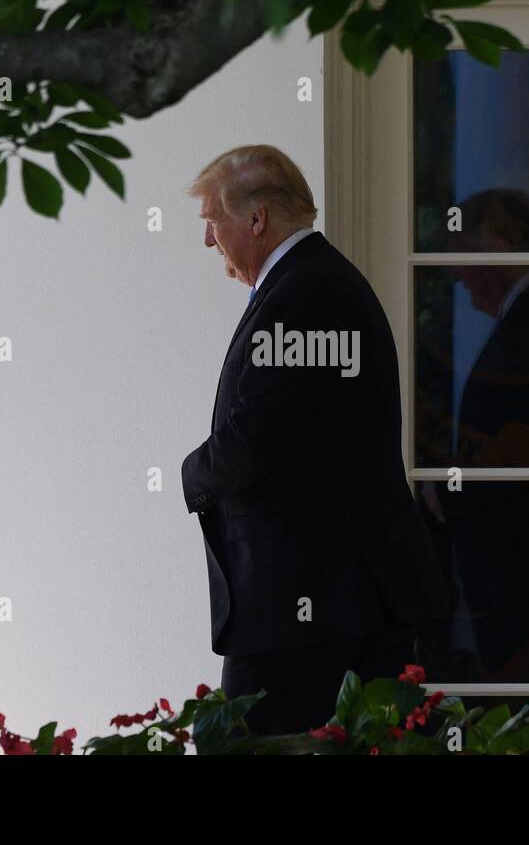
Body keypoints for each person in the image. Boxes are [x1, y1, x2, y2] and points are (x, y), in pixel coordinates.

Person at [181, 145, 448, 735]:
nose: (208, 240)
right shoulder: (315, 284)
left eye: (212, 221)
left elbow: (257, 437)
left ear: (256, 220)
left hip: (307, 605)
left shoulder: (305, 294)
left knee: (249, 741)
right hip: (326, 600)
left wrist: (189, 476)